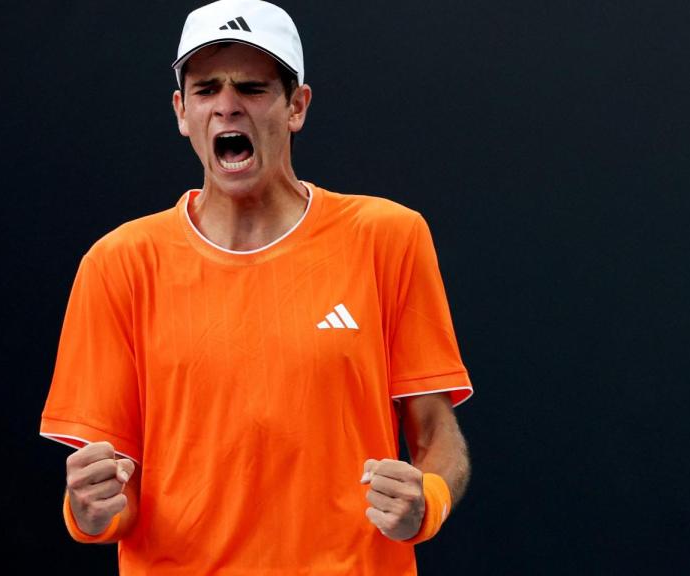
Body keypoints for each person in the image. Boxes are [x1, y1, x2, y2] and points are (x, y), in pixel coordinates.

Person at [39, 0, 474, 573]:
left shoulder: (388, 238)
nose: (226, 107)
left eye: (252, 87)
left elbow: (438, 434)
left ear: (296, 106)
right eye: (205, 89)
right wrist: (89, 511)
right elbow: (116, 496)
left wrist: (429, 501)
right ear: (181, 111)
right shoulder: (118, 264)